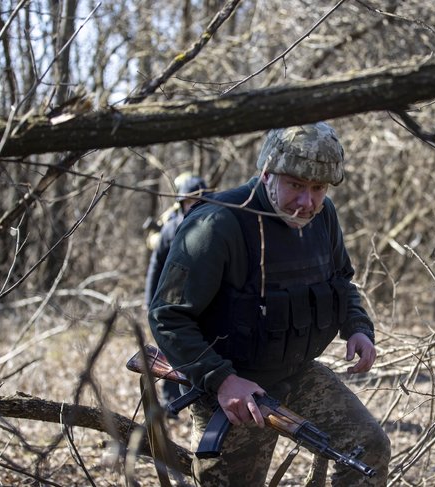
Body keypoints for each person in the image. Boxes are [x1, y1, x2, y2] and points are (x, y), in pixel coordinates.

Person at [148, 122, 391, 485]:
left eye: (318, 188)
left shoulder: (323, 217)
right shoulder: (217, 224)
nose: (306, 202)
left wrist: (357, 326)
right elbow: (167, 317)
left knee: (368, 448)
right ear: (266, 175)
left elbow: (341, 281)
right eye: (295, 185)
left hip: (297, 373)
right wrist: (223, 380)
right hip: (232, 386)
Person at [145, 174, 207, 408]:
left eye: (199, 200)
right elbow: (155, 266)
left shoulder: (215, 226)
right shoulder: (170, 230)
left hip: (201, 300)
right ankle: (172, 400)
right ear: (181, 203)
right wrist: (150, 302)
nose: (194, 205)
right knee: (170, 350)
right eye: (189, 201)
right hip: (171, 299)